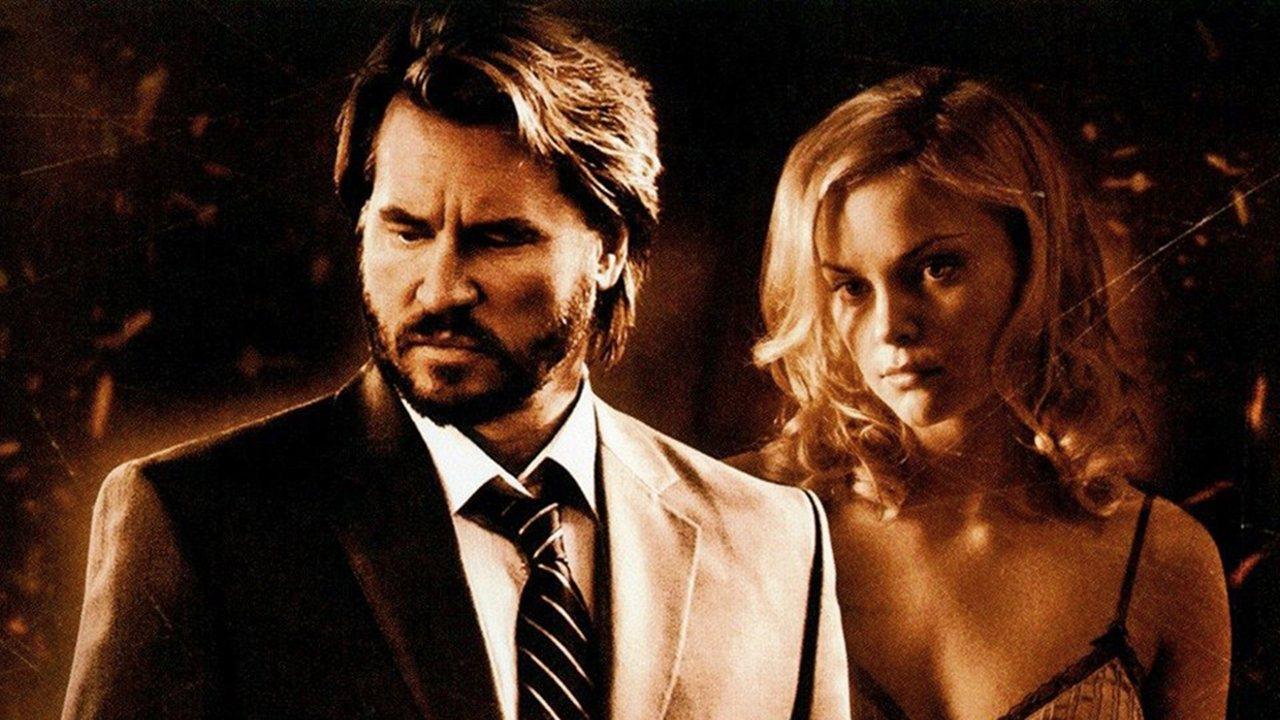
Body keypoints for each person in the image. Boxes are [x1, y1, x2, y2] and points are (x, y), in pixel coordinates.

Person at [61, 4, 850, 719]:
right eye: (406, 230)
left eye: (498, 237)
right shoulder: (198, 522)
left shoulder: (773, 544)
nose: (440, 288)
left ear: (609, 247)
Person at [742, 69, 1231, 719]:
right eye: (851, 287)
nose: (891, 326)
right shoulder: (737, 519)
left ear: (1033, 263)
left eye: (936, 267)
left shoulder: (1163, 559)